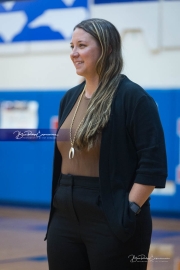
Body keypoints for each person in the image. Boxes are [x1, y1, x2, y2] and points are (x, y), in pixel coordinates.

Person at [45, 18, 167, 270]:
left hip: (112, 215)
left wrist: (129, 210)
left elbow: (152, 165)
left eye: (81, 45)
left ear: (107, 48)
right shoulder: (70, 97)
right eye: (71, 46)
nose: (74, 53)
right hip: (64, 215)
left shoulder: (134, 98)